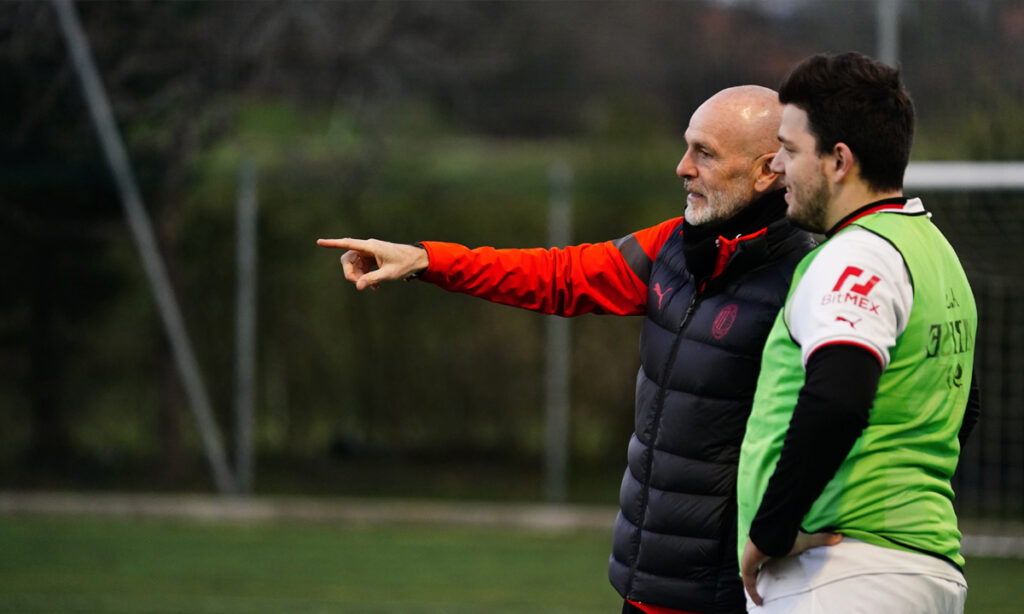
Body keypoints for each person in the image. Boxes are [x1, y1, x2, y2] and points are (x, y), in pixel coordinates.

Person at [319, 85, 816, 614]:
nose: (682, 167)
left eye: (705, 153)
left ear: (768, 170)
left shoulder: (810, 279)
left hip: (733, 593)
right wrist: (427, 260)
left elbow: (844, 419)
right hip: (647, 582)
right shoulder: (673, 248)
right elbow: (557, 275)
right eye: (686, 146)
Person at [736, 52, 981, 613]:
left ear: (839, 160)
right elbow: (961, 409)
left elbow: (837, 396)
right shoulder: (936, 252)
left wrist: (772, 530)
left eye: (791, 149)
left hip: (843, 575)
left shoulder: (857, 256)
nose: (776, 164)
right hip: (916, 570)